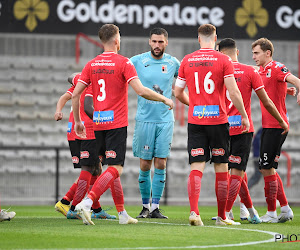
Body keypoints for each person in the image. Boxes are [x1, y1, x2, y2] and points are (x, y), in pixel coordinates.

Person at [72, 24, 173, 225]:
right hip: (116, 124)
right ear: (117, 40)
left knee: (108, 169)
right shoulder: (124, 63)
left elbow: (76, 93)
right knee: (116, 168)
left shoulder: (91, 64)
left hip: (98, 123)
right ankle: (88, 202)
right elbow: (141, 91)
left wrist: (77, 121)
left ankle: (122, 214)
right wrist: (164, 99)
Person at [174, 24, 250, 226]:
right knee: (221, 167)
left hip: (196, 120)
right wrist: (244, 116)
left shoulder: (187, 59)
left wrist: (196, 105)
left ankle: (194, 212)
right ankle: (222, 217)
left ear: (198, 38)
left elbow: (177, 92)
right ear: (215, 38)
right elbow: (233, 92)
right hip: (218, 121)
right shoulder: (224, 59)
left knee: (196, 166)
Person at [217, 38, 289, 224]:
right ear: (237, 52)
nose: (254, 56)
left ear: (221, 54)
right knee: (238, 170)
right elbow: (266, 100)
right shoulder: (250, 71)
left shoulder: (219, 71)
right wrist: (282, 120)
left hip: (221, 127)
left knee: (234, 171)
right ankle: (228, 212)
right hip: (243, 127)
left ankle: (246, 210)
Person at [130, 28, 180, 219]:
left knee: (161, 162)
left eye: (160, 42)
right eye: (154, 41)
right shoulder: (137, 61)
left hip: (165, 120)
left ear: (166, 43)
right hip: (145, 119)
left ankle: (155, 207)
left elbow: (186, 81)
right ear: (149, 42)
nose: (157, 45)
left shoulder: (173, 63)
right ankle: (144, 206)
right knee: (144, 164)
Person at [54, 72, 116, 220]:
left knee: (95, 170)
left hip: (77, 130)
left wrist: (58, 111)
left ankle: (95, 208)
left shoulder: (82, 81)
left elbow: (69, 79)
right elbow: (87, 106)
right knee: (89, 169)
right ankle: (71, 205)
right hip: (88, 130)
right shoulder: (90, 82)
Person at [252, 37, 300, 223]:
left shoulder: (277, 67)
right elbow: (272, 85)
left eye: (257, 53)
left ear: (268, 53)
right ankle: (286, 209)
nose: (254, 56)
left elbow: (296, 80)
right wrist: (284, 90)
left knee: (266, 168)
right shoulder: (263, 70)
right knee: (268, 168)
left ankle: (272, 212)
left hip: (277, 126)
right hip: (268, 126)